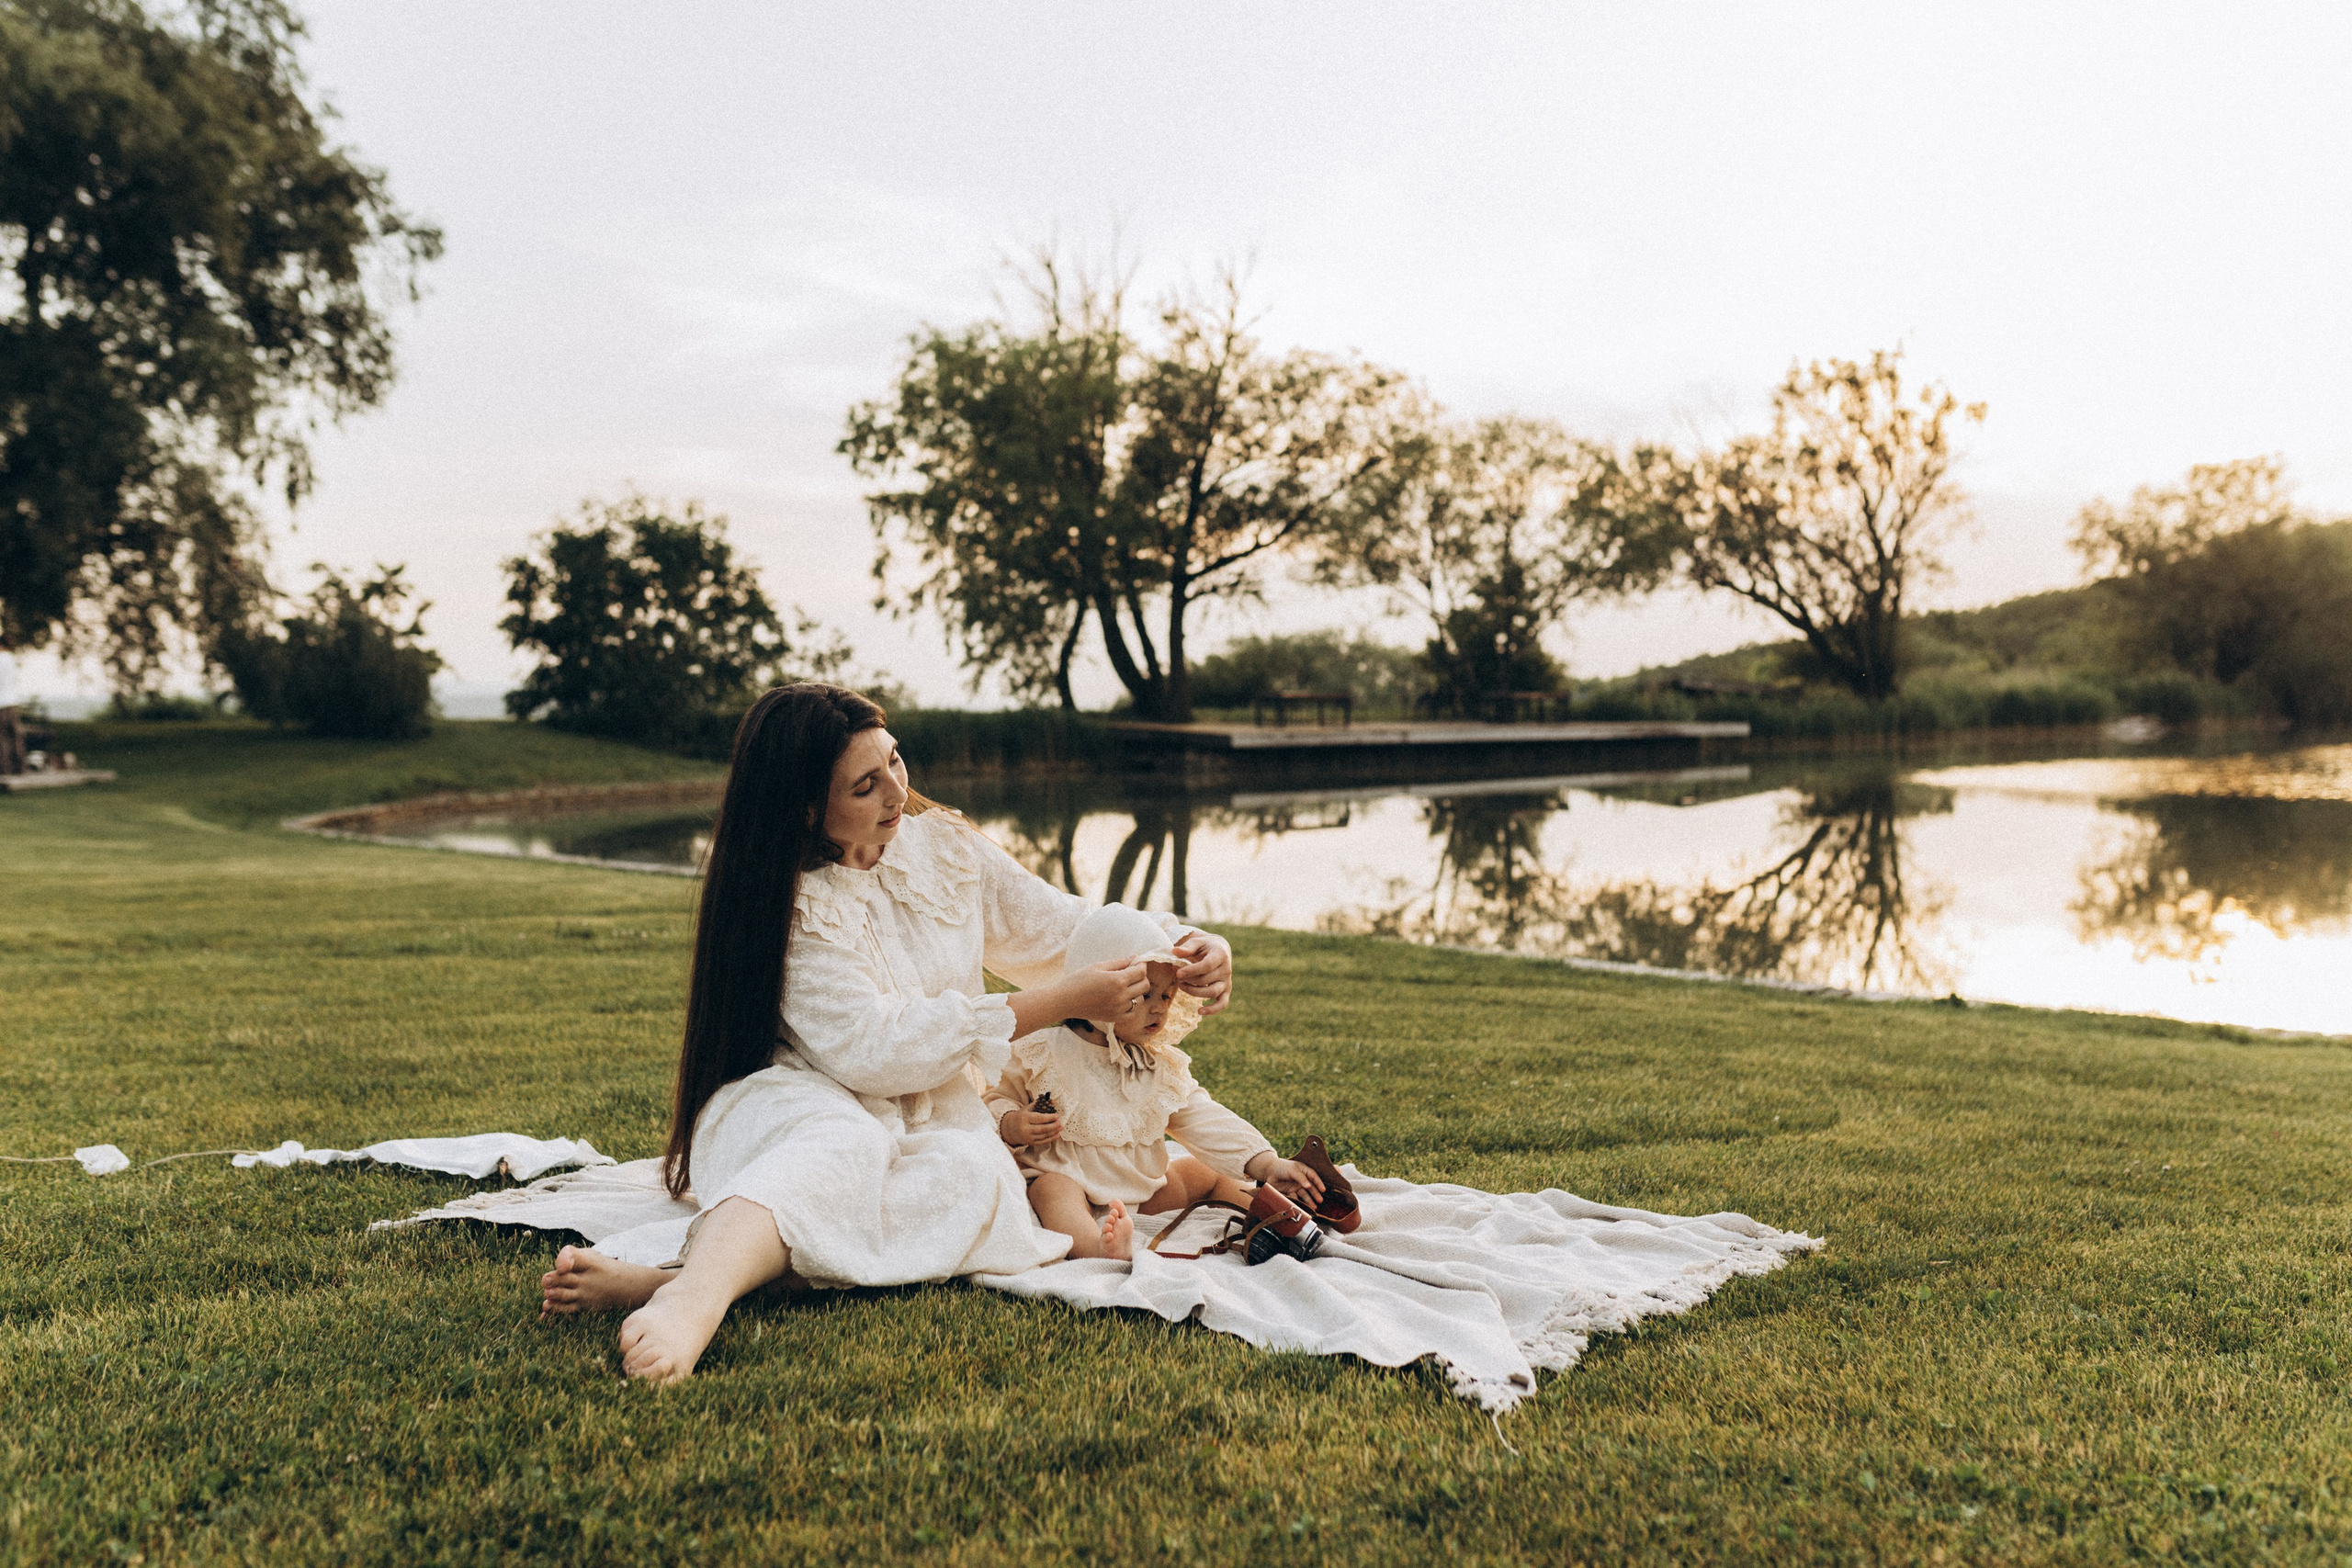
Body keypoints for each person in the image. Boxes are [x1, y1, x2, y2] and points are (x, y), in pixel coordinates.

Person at [536, 683, 1234, 1381]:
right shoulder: (792, 900)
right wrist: (1059, 1002)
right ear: (807, 807)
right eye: (865, 785)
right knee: (843, 1147)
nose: (898, 792)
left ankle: (668, 1280)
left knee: (972, 1180)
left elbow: (1066, 929)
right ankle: (694, 1300)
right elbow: (876, 1050)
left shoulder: (949, 849)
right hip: (796, 1100)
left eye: (894, 761)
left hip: (937, 1113)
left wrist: (1185, 943)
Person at [986, 903, 1322, 1261]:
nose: (1159, 1008)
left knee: (1203, 1172)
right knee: (1051, 1190)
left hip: (1145, 1195)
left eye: (1166, 995)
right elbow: (994, 1099)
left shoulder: (1159, 1065)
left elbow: (1204, 1119)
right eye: (1145, 994)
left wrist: (1267, 1164)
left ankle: (1276, 1215)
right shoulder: (1041, 1052)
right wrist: (1013, 1124)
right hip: (1076, 1188)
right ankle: (1098, 1247)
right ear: (1094, 990)